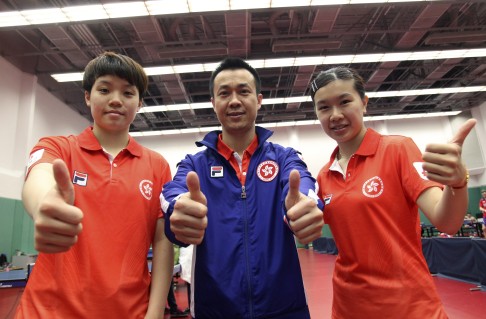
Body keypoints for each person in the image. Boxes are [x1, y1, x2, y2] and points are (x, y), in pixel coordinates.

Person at [160, 57, 324, 319]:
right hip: (215, 310)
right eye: (224, 93)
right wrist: (180, 213)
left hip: (284, 309)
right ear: (214, 103)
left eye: (243, 91)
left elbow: (303, 185)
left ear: (259, 100)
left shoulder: (284, 158)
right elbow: (173, 195)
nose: (234, 100)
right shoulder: (194, 165)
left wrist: (304, 205)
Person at [16, 52, 174, 319]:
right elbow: (38, 178)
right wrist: (44, 205)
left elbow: (162, 241)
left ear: (139, 103)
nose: (115, 100)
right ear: (88, 96)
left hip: (128, 312)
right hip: (46, 312)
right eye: (104, 89)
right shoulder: (58, 147)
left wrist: (156, 311)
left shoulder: (157, 165)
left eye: (127, 93)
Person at [309, 66, 475, 319]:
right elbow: (310, 228)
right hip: (349, 308)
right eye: (324, 107)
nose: (335, 115)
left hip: (411, 307)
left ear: (364, 103)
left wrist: (457, 184)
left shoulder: (399, 149)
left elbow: (448, 223)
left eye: (345, 102)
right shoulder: (324, 175)